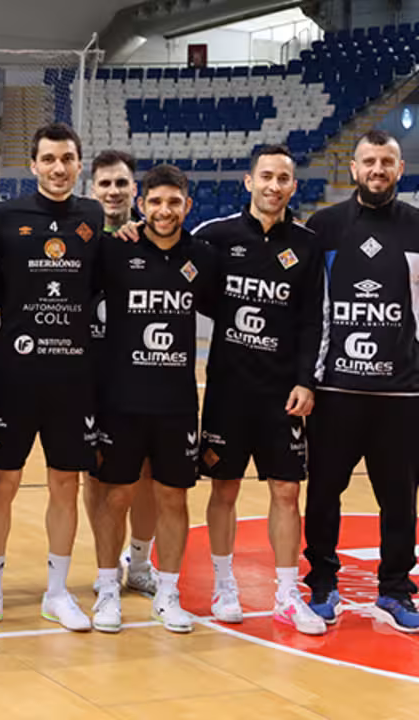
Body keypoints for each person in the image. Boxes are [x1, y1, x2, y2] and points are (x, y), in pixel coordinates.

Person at [0, 123, 104, 634]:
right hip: (15, 374)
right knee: (2, 482)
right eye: (48, 159)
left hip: (73, 376)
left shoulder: (94, 216)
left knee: (64, 483)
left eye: (67, 159)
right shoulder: (4, 218)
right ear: (33, 165)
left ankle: (57, 592)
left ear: (79, 163)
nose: (58, 168)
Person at [190, 145, 325, 634]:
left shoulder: (306, 245)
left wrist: (306, 381)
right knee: (224, 488)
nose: (274, 185)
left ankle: (287, 594)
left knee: (287, 490)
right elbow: (177, 267)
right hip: (228, 390)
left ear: (293, 186)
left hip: (281, 394)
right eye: (266, 176)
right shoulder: (216, 235)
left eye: (283, 178)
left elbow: (312, 320)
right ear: (249, 181)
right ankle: (224, 584)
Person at [90, 164, 217, 634]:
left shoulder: (202, 257)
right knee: (116, 495)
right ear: (141, 205)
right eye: (156, 202)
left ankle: (167, 592)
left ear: (188, 205)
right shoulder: (115, 250)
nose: (165, 211)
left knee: (173, 497)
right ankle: (107, 588)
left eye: (174, 202)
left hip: (177, 403)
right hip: (120, 400)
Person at [304, 129, 419, 633]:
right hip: (335, 394)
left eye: (386, 161)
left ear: (399, 169)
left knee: (400, 500)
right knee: (323, 493)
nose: (377, 169)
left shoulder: (417, 227)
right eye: (368, 161)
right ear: (353, 168)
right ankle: (322, 584)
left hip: (402, 395)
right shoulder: (324, 226)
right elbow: (308, 307)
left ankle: (394, 590)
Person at [85, 150, 157, 597]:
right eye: (105, 184)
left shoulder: (154, 238)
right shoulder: (81, 238)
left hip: (143, 377)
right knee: (94, 477)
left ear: (135, 189)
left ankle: (142, 563)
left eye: (121, 183)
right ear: (92, 190)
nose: (113, 192)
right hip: (90, 379)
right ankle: (106, 567)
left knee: (147, 475)